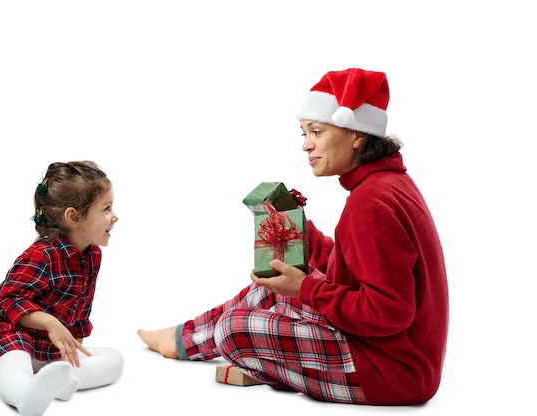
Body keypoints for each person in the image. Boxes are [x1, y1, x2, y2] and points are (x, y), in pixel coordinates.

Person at [138, 68, 449, 405]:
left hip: (389, 371)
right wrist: (302, 233)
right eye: (303, 133)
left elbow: (389, 312)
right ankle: (184, 339)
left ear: (357, 134)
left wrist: (305, 289)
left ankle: (259, 362)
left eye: (316, 132)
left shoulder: (370, 204)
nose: (306, 145)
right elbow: (357, 271)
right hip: (392, 356)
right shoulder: (386, 185)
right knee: (269, 290)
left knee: (231, 329)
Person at [0, 161, 124, 415]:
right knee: (13, 364)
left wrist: (72, 350)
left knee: (114, 361)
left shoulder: (92, 256)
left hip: (45, 348)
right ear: (74, 217)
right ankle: (23, 393)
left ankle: (53, 381)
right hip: (7, 332)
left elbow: (81, 309)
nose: (115, 216)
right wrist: (51, 324)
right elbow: (7, 301)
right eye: (106, 209)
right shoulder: (42, 254)